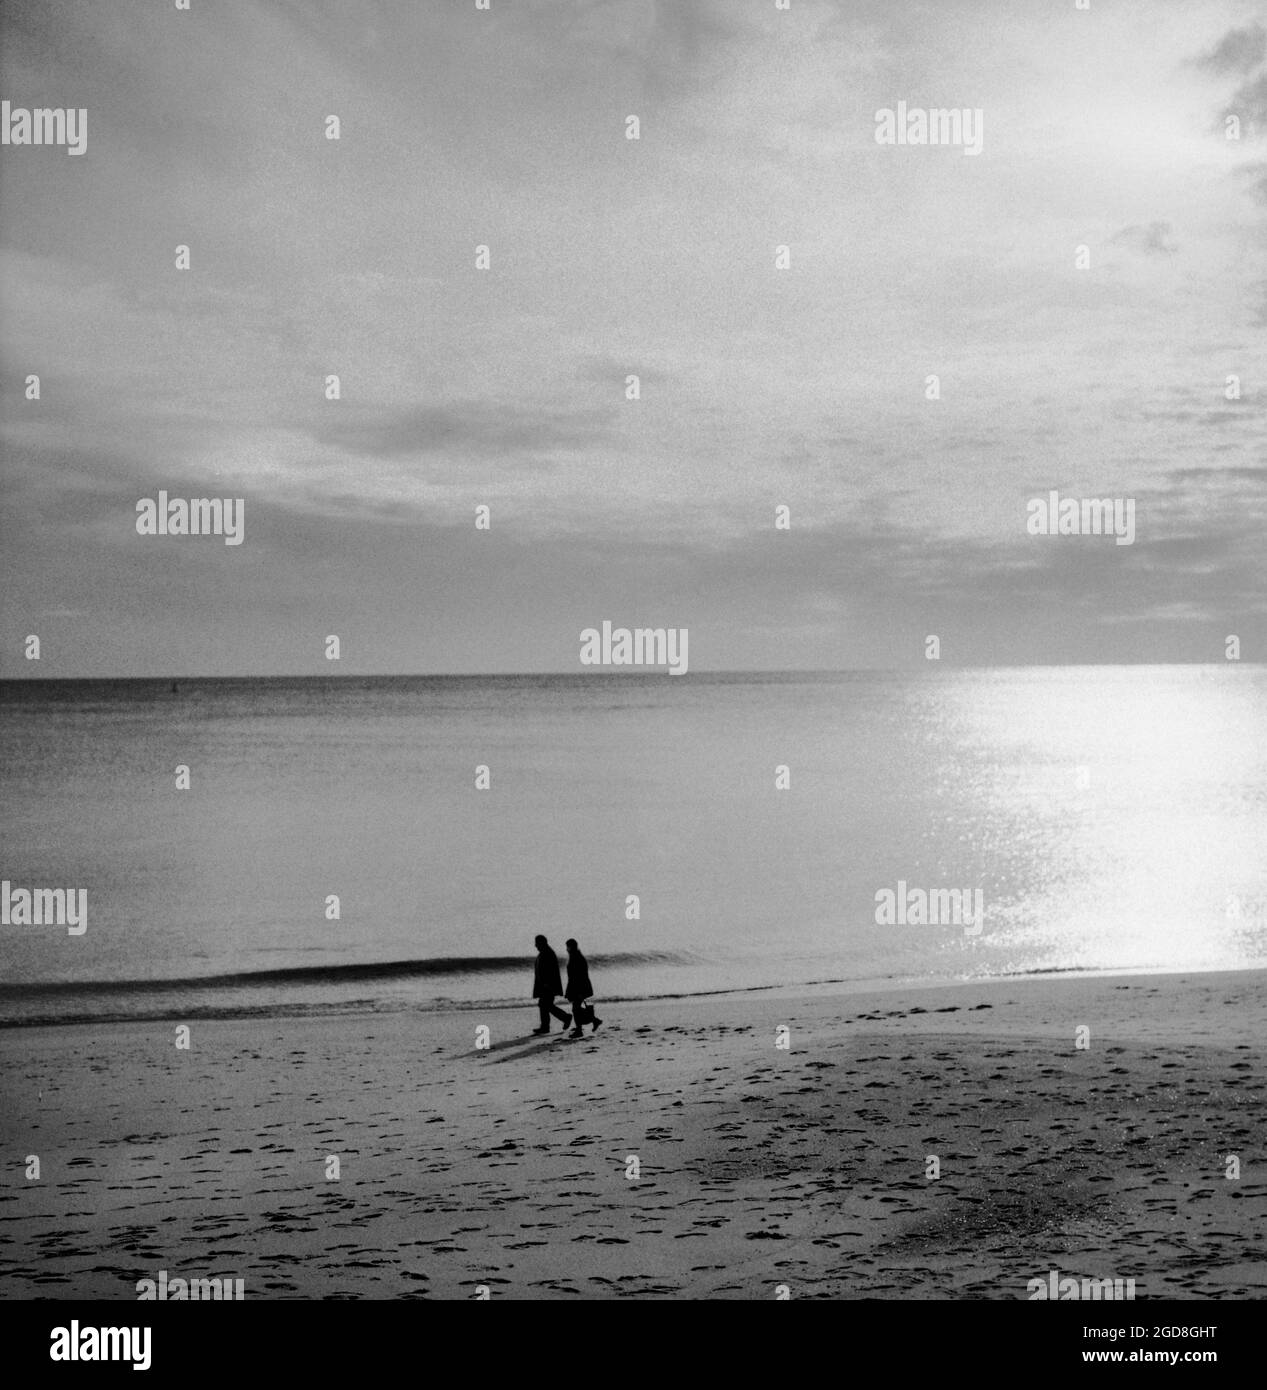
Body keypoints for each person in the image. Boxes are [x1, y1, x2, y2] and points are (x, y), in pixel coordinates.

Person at [531, 934, 571, 1035]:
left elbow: (550, 971)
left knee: (545, 1004)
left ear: (541, 943)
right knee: (545, 1005)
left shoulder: (547, 953)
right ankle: (546, 1026)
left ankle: (564, 1018)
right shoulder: (545, 952)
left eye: (537, 943)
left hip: (548, 986)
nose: (535, 945)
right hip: (545, 985)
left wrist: (547, 984)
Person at [564, 938, 602, 1038]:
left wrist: (578, 992)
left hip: (580, 988)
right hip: (579, 987)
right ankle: (593, 1021)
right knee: (576, 1009)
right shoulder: (576, 956)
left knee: (575, 1009)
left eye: (567, 947)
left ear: (571, 947)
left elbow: (579, 976)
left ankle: (580, 1030)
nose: (566, 949)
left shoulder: (576, 958)